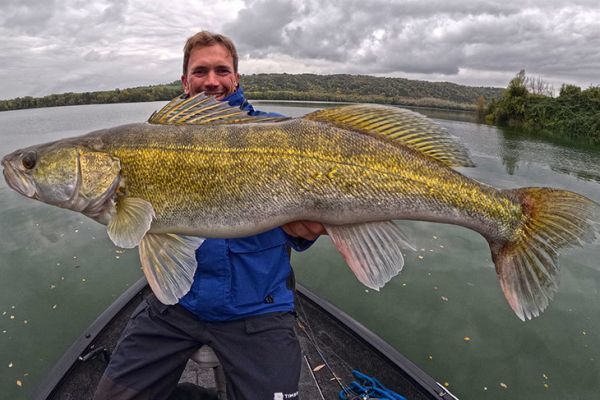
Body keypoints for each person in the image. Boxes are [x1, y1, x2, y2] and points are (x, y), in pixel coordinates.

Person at [93, 31, 325, 400]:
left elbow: (304, 223)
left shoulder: (278, 134)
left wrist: (308, 230)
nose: (212, 81)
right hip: (176, 307)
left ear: (236, 78)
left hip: (259, 309)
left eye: (222, 70)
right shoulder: (152, 138)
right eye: (200, 71)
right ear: (185, 81)